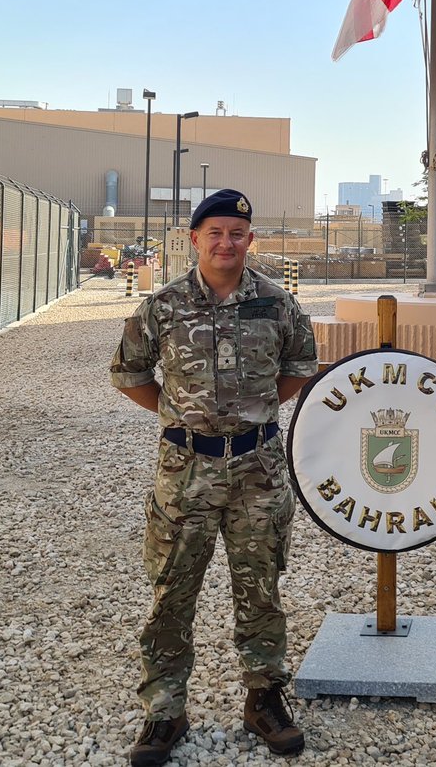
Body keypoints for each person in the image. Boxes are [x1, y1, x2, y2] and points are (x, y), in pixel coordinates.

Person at [110, 188, 317, 764]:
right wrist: (181, 417)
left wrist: (249, 416)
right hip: (186, 470)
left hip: (258, 470)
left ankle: (264, 699)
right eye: (216, 233)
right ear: (195, 239)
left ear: (250, 240)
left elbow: (301, 364)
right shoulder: (163, 306)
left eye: (237, 233)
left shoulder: (277, 305)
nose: (227, 242)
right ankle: (165, 709)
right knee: (172, 591)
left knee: (260, 588)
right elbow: (128, 371)